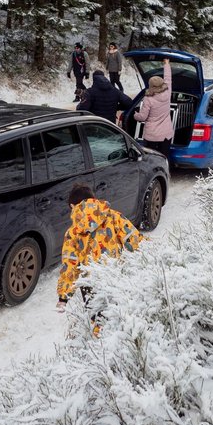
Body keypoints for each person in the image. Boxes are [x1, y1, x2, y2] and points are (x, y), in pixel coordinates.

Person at [55, 184, 143, 334]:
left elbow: (70, 264)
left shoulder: (72, 233)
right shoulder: (114, 216)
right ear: (94, 200)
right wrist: (153, 255)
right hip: (115, 276)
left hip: (90, 286)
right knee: (120, 316)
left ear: (72, 206)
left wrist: (63, 296)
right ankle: (124, 344)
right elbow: (133, 240)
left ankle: (102, 346)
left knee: (99, 323)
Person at [133, 58, 173, 159]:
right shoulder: (167, 93)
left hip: (152, 135)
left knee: (152, 159)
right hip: (166, 134)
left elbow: (142, 117)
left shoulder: (148, 99)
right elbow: (168, 78)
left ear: (150, 86)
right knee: (164, 158)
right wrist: (166, 64)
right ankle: (165, 173)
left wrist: (135, 115)